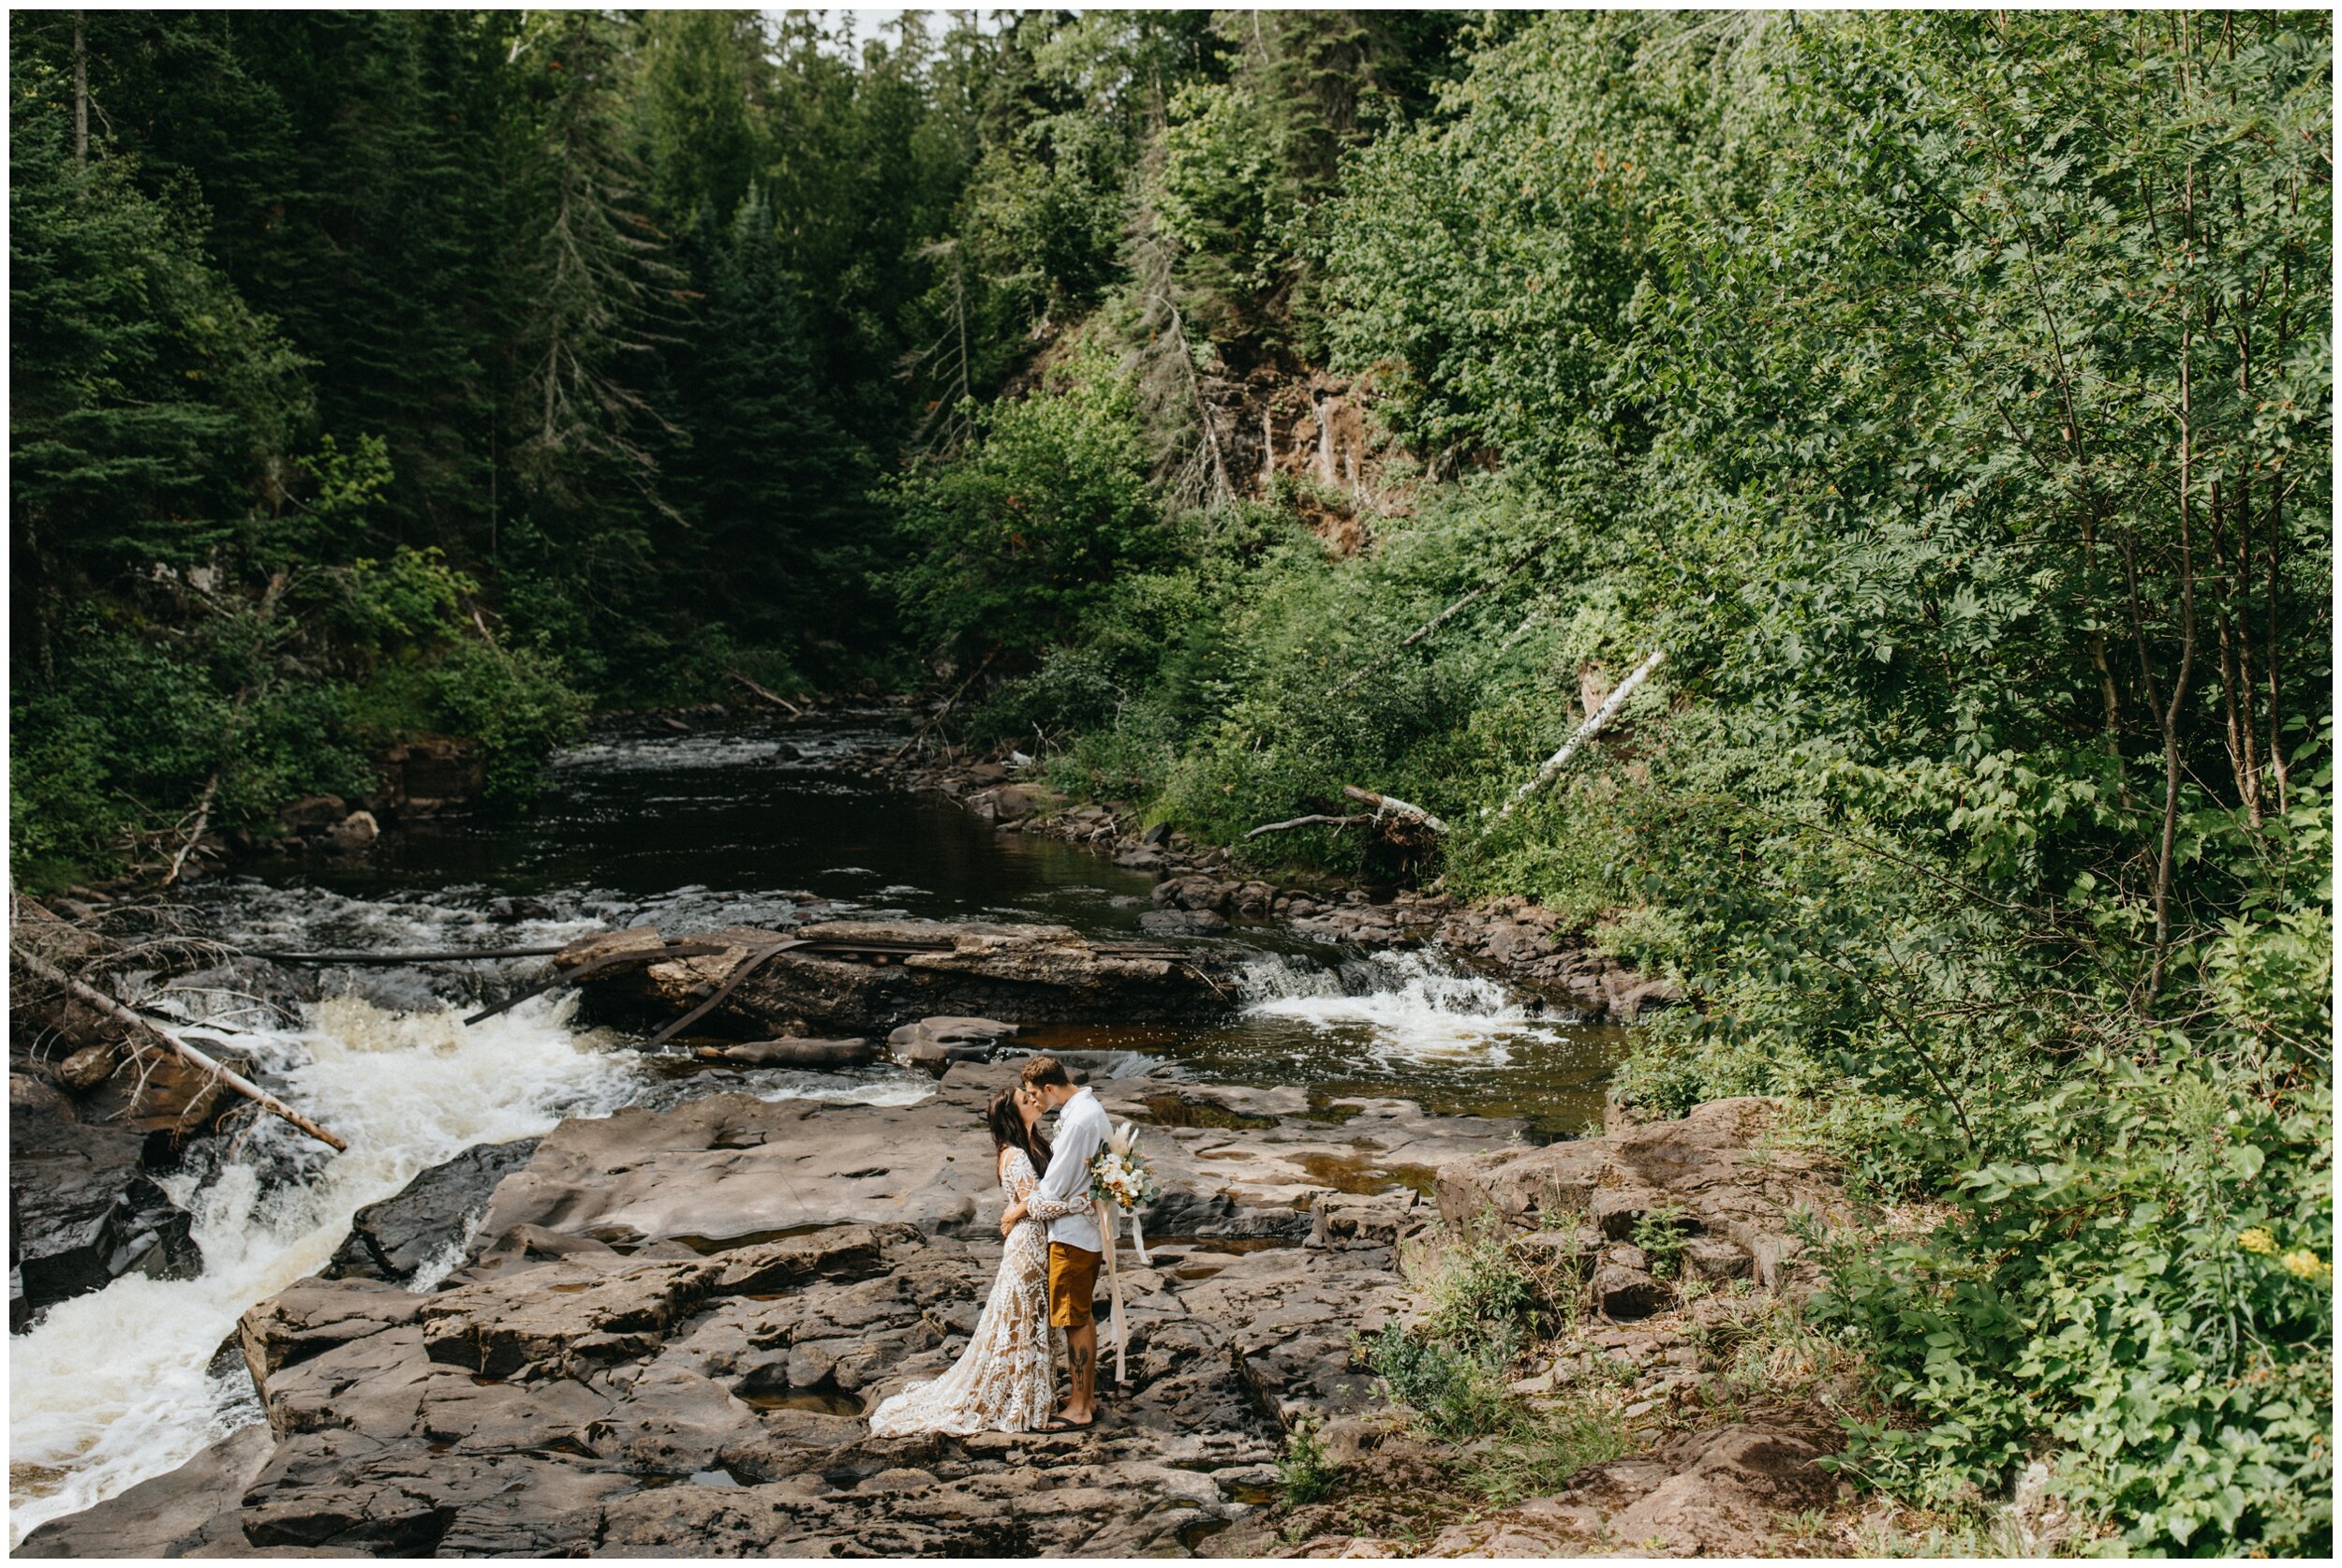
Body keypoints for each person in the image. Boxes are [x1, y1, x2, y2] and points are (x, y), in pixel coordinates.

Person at [865, 1085, 1086, 1436]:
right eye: (1024, 1099)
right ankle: (1020, 1403)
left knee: (1035, 1325)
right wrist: (1085, 1202)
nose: (1033, 1099)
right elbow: (1040, 1205)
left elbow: (1036, 1197)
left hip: (1039, 1243)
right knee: (1025, 1324)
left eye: (1030, 1095)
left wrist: (1015, 1210)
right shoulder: (1014, 1155)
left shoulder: (1036, 1145)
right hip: (1028, 1249)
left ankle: (1032, 1395)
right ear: (1012, 1115)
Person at [1010, 1055, 1109, 1431]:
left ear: (1049, 1088)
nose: (1033, 1101)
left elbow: (1052, 1188)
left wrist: (1025, 1205)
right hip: (1082, 1230)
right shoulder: (1085, 1108)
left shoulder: (1080, 1120)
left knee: (1072, 1318)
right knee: (1079, 1314)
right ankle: (1085, 1396)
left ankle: (1080, 1409)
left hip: (1073, 1235)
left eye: (1035, 1094)